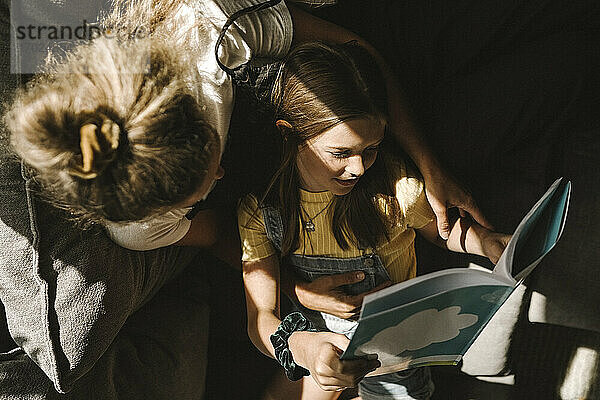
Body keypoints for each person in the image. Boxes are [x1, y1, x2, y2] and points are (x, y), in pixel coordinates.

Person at [5, 0, 489, 257]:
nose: (219, 180)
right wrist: (297, 294)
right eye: (193, 198)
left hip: (330, 69)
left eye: (213, 164)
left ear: (202, 119)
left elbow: (358, 53)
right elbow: (223, 237)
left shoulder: (210, 31)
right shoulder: (139, 229)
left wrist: (430, 165)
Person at [237, 41, 511, 400]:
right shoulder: (262, 211)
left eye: (371, 149)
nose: (359, 168)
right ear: (289, 134)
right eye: (341, 153)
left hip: (394, 355)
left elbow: (441, 233)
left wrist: (483, 241)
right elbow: (261, 319)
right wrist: (302, 348)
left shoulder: (394, 186)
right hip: (317, 347)